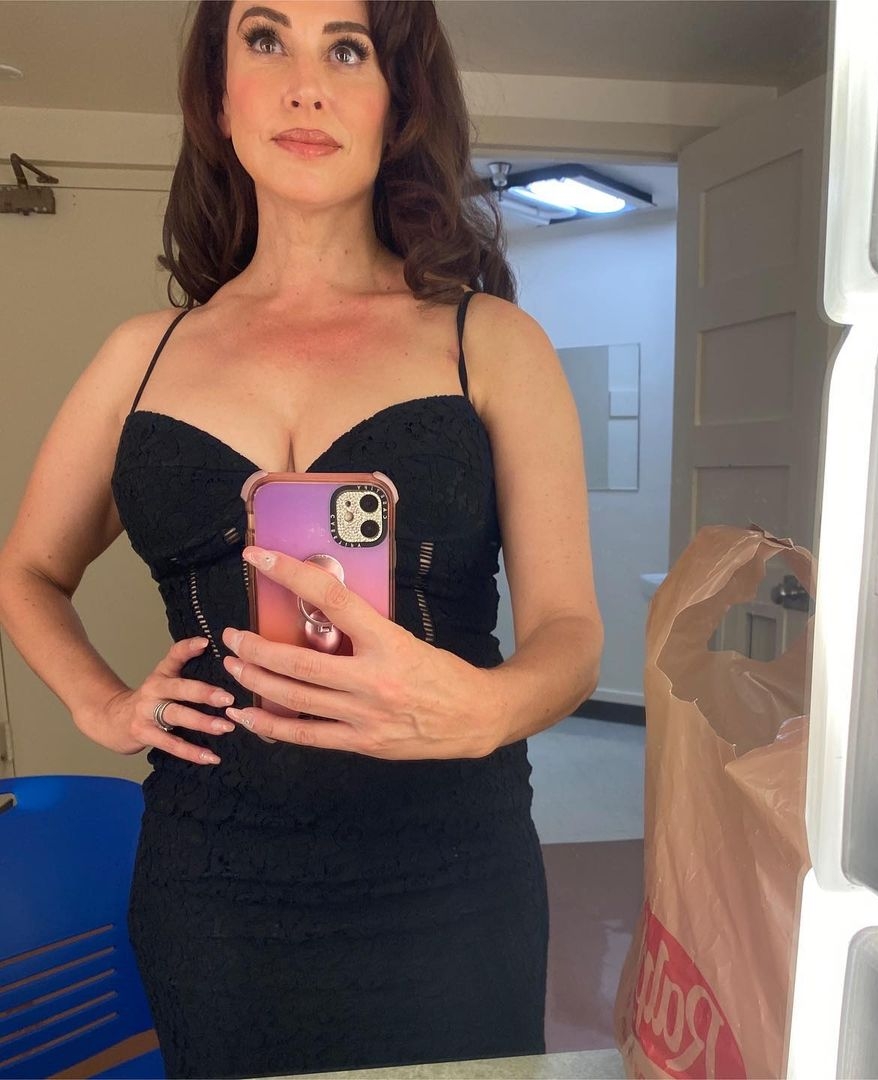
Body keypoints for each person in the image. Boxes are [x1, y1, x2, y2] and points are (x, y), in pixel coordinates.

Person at [0, 1, 604, 1076]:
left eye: (348, 49)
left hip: (452, 877)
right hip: (212, 884)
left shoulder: (490, 342)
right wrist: (102, 704)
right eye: (267, 39)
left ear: (396, 102)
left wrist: (488, 708)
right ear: (219, 93)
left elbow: (571, 634)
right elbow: (28, 570)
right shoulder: (142, 354)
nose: (306, 84)